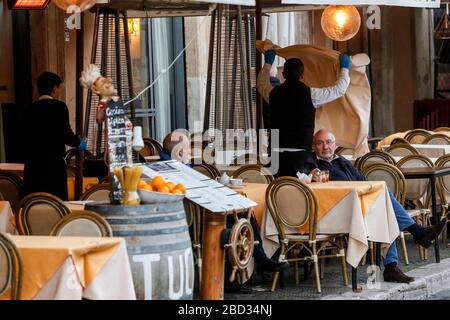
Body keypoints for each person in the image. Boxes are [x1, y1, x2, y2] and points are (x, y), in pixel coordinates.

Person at [295, 129, 447, 283]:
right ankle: (417, 234)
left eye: (328, 142)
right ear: (314, 146)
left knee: (385, 210)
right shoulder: (310, 162)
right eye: (320, 143)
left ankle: (392, 266)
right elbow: (300, 179)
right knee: (385, 203)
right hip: (333, 213)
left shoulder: (341, 161)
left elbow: (363, 179)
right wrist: (310, 177)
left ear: (335, 145)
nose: (325, 147)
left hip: (358, 206)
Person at [161, 130, 289, 293]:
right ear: (179, 152)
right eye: (188, 150)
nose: (191, 153)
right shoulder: (177, 170)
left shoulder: (167, 166)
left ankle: (260, 261)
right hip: (194, 223)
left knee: (243, 215)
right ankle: (252, 266)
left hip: (195, 216)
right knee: (235, 224)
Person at [256, 50, 351, 177]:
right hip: (300, 158)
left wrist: (268, 63)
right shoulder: (311, 94)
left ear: (283, 74)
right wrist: (344, 68)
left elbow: (261, 83)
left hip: (275, 156)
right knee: (301, 192)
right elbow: (339, 90)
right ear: (302, 76)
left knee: (275, 191)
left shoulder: (273, 93)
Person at [23, 72, 87, 200]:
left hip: (32, 165)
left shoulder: (29, 108)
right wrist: (79, 143)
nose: (58, 91)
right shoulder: (59, 107)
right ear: (54, 88)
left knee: (33, 202)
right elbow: (66, 134)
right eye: (58, 88)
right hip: (54, 165)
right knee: (56, 203)